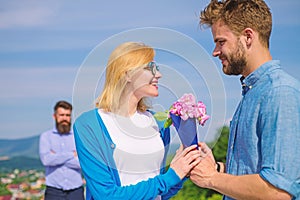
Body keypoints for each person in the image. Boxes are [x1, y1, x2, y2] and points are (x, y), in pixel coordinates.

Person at [190, 0, 300, 199]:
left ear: (248, 37)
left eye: (221, 42)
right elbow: (251, 171)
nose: (215, 52)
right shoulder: (252, 93)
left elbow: (278, 191)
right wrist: (216, 168)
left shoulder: (279, 92)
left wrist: (211, 178)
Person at [73, 42, 202, 200]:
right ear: (127, 74)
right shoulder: (88, 125)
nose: (159, 75)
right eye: (151, 68)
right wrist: (171, 177)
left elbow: (160, 191)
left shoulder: (159, 123)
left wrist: (182, 170)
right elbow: (105, 195)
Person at [39, 100, 84, 200]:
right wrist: (72, 154)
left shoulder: (78, 137)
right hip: (53, 191)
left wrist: (56, 157)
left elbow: (82, 163)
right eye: (61, 115)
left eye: (67, 115)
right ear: (54, 116)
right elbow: (46, 160)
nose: (65, 118)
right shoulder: (46, 137)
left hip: (76, 191)